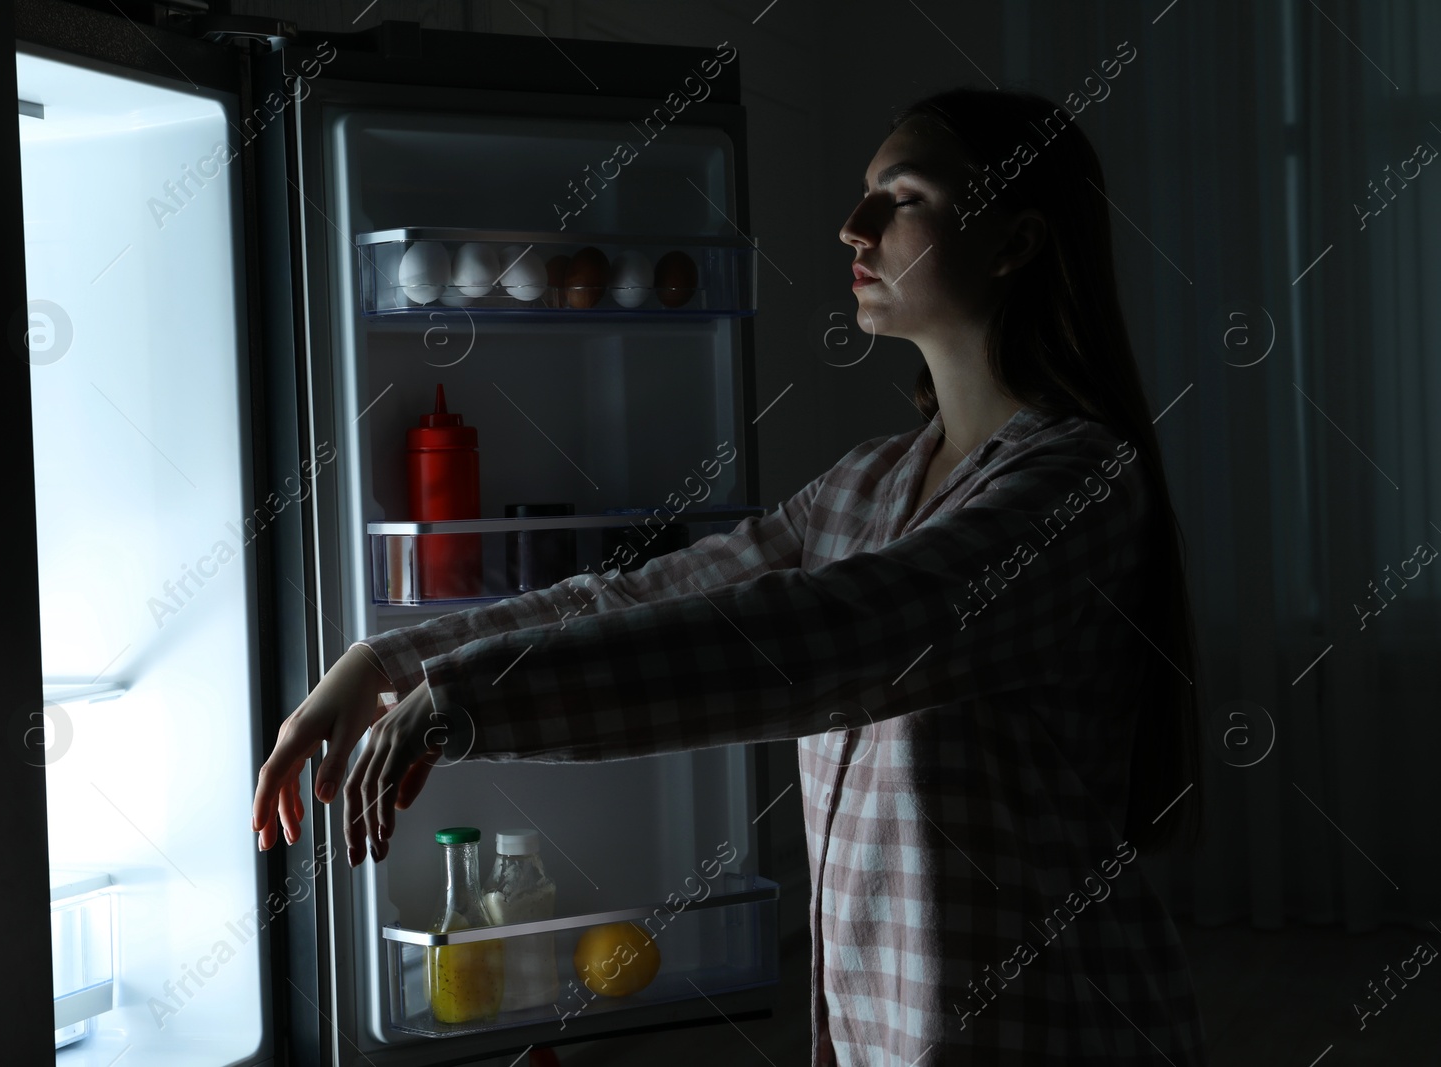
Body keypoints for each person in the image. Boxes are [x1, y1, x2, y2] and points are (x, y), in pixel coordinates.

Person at [253, 86, 1209, 1066]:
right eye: (864, 194)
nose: (855, 225)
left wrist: (466, 699)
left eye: (905, 197)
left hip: (1054, 1024)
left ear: (1014, 243)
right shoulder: (868, 480)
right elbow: (639, 596)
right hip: (887, 1026)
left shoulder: (1076, 483)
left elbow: (836, 635)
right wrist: (386, 662)